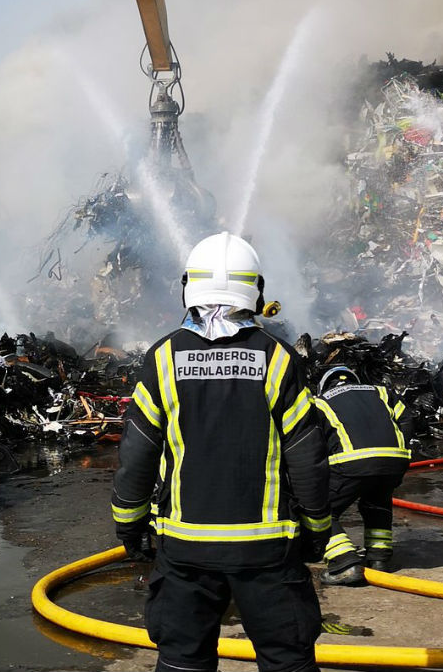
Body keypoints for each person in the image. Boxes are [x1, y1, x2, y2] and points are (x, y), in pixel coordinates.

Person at [112, 231, 330, 672]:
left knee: (182, 661)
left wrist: (128, 526)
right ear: (257, 290)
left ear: (188, 286)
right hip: (266, 551)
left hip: (184, 550)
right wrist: (317, 530)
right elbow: (307, 456)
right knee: (287, 658)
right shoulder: (278, 359)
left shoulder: (162, 358)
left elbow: (137, 454)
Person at [313, 366, 414, 586]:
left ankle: (345, 563)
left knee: (320, 510)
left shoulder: (320, 402)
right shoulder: (381, 392)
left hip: (352, 463)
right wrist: (399, 448)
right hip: (395, 461)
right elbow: (406, 417)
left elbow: (313, 442)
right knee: (377, 503)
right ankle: (379, 559)